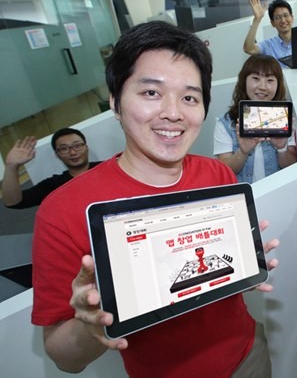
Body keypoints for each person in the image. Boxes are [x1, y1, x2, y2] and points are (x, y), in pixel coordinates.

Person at [31, 21, 279, 377]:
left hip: (248, 355)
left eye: (189, 97)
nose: (173, 112)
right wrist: (92, 324)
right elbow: (65, 358)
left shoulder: (218, 176)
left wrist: (243, 267)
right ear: (115, 101)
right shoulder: (63, 211)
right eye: (151, 92)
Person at [213, 54, 297, 183]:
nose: (262, 86)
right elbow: (224, 171)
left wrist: (282, 149)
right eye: (256, 78)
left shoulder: (284, 118)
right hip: (244, 194)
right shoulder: (225, 123)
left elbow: (292, 166)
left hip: (278, 191)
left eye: (270, 80)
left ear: (278, 84)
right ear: (244, 81)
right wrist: (243, 152)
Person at [2, 128, 100, 209]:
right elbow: (13, 202)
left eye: (77, 146)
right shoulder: (54, 185)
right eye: (64, 149)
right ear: (57, 154)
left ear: (86, 148)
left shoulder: (106, 167)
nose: (73, 152)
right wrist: (11, 166)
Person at [243, 0, 293, 66]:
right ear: (272, 23)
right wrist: (257, 19)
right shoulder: (268, 45)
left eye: (285, 15)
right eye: (278, 18)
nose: (283, 20)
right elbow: (249, 49)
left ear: (292, 18)